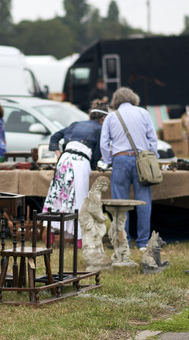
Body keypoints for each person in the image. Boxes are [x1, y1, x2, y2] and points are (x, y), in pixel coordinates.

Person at [99, 87, 158, 251]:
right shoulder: (144, 113)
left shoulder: (111, 117)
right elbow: (152, 139)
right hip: (142, 159)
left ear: (115, 101)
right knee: (144, 201)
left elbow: (104, 144)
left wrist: (109, 160)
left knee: (120, 203)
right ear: (134, 98)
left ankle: (122, 240)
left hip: (120, 159)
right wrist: (154, 159)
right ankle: (143, 242)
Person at [42, 100, 109, 244]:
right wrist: (94, 165)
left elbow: (54, 137)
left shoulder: (76, 124)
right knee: (80, 198)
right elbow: (97, 154)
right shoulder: (100, 129)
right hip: (80, 162)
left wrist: (58, 152)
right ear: (103, 118)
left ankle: (50, 235)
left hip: (64, 160)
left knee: (57, 196)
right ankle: (79, 238)